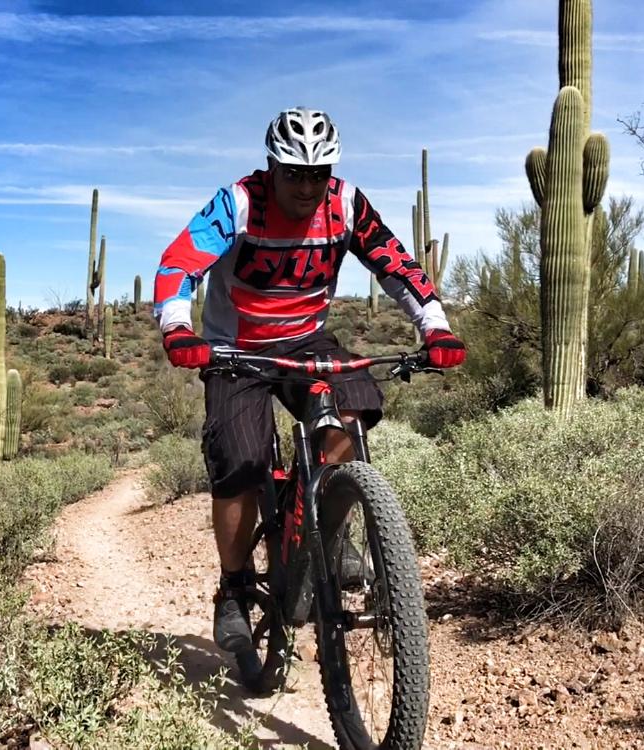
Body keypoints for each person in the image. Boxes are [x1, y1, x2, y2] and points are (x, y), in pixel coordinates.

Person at [152, 107, 466, 653]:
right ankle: (233, 588)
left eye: (317, 173)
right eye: (294, 171)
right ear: (272, 166)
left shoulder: (344, 204)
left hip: (305, 339)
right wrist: (178, 328)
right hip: (236, 349)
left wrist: (434, 326)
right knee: (240, 460)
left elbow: (396, 264)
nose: (306, 184)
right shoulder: (240, 202)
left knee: (357, 403)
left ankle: (329, 518)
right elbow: (181, 263)